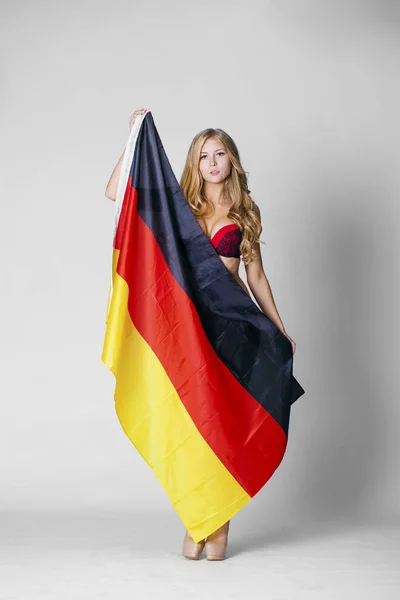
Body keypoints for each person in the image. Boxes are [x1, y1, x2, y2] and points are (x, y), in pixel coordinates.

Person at [105, 108, 297, 561]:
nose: (212, 162)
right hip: (189, 332)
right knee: (192, 423)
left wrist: (281, 329)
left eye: (220, 154)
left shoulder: (246, 212)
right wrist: (133, 137)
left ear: (231, 161)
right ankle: (198, 518)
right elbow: (115, 191)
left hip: (233, 330)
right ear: (194, 163)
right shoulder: (180, 211)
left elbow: (257, 279)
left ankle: (220, 525)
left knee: (225, 426)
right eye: (204, 155)